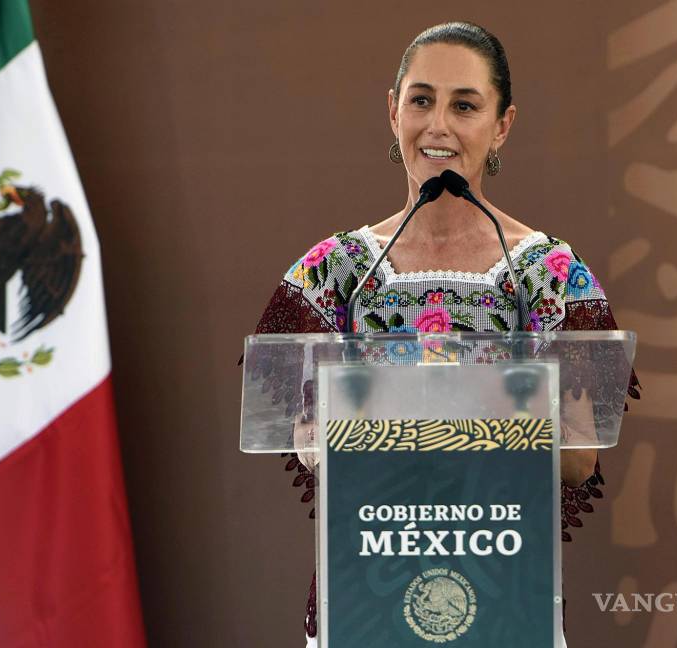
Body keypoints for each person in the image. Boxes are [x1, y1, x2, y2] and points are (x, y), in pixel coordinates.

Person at [251, 21, 641, 648]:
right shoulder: (336, 271)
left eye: (465, 106)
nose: (439, 125)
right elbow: (304, 441)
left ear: (502, 125)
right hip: (365, 595)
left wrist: (477, 409)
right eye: (421, 100)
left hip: (507, 597)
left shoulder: (549, 274)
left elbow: (579, 460)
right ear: (392, 110)